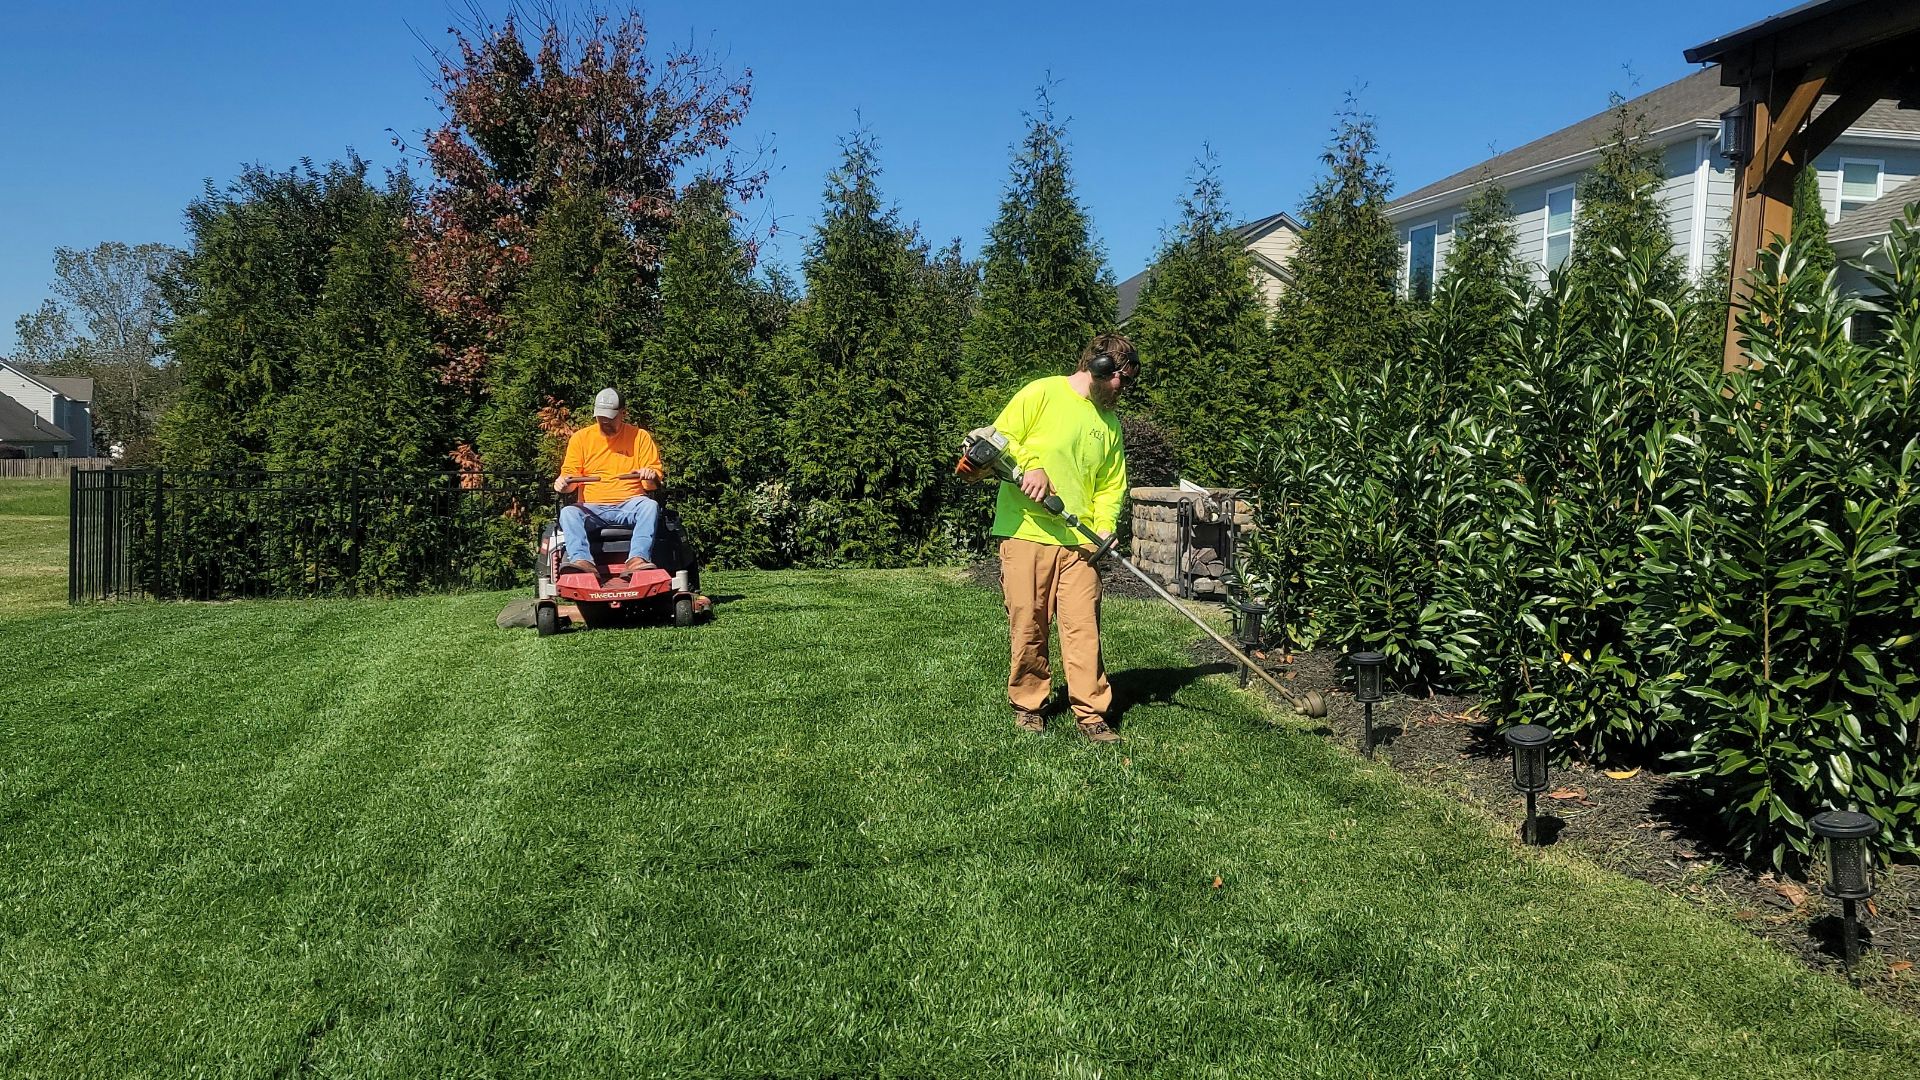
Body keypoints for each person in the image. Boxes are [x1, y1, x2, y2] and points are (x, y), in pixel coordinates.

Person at [990, 333, 1137, 744]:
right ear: (1099, 367)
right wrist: (1030, 466)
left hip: (1082, 544)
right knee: (1028, 623)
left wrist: (1105, 524)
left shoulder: (1108, 423)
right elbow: (997, 439)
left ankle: (1091, 712)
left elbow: (1111, 484)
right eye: (1120, 378)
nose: (1122, 389)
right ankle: (1029, 704)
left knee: (1082, 627)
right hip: (1026, 532)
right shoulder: (1042, 393)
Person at [553, 387, 666, 578]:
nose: (605, 421)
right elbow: (570, 481)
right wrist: (564, 484)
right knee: (568, 512)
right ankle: (582, 561)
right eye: (601, 417)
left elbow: (652, 486)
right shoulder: (581, 439)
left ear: (623, 413)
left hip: (631, 504)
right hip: (592, 508)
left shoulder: (640, 437)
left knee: (650, 506)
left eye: (610, 417)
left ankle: (637, 559)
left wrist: (650, 475)